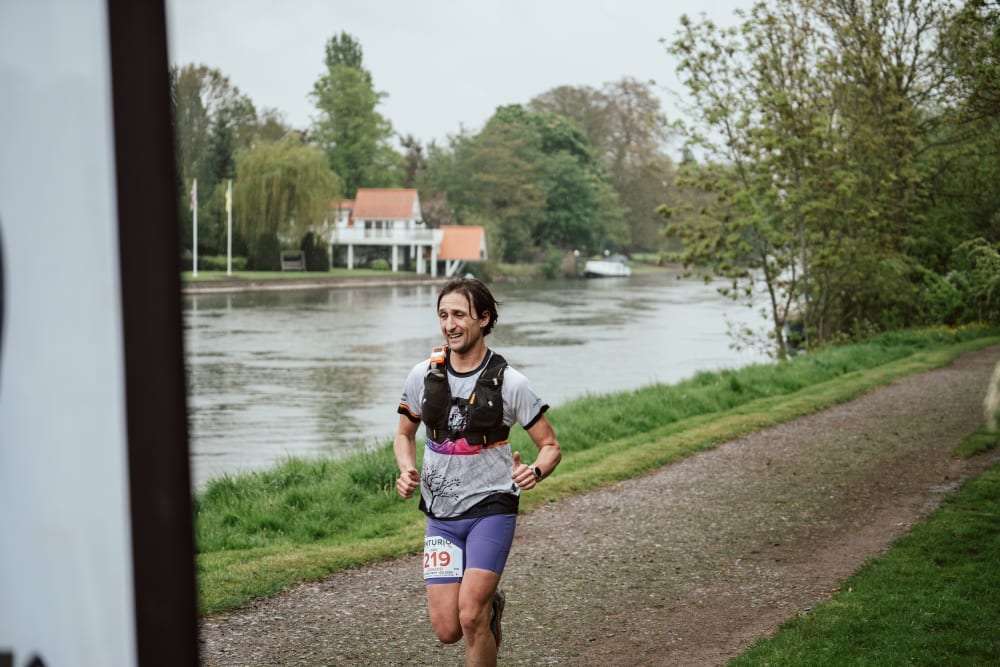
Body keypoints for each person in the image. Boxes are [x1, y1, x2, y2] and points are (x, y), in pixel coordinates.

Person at [394, 277, 561, 666]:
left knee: (470, 616)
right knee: (447, 629)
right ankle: (492, 610)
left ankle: (482, 612)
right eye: (443, 315)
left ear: (483, 319)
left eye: (459, 315)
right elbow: (404, 434)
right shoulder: (423, 375)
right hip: (440, 516)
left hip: (492, 508)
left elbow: (550, 446)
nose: (449, 325)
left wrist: (535, 471)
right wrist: (406, 468)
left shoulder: (510, 383)